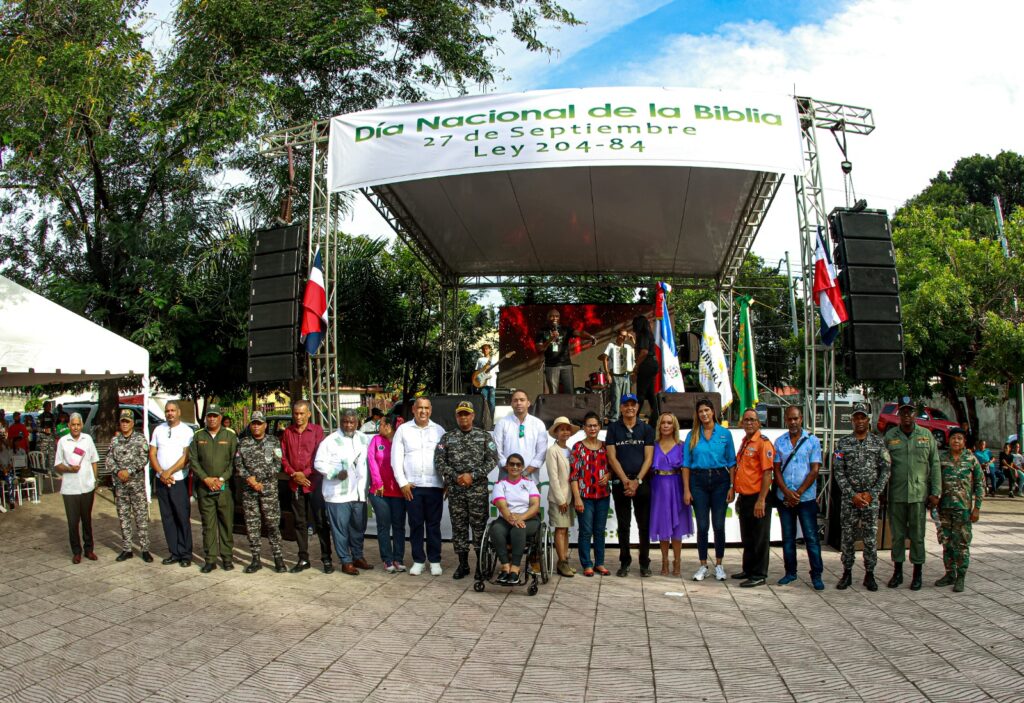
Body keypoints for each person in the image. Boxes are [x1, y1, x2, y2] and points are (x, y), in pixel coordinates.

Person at [436, 401, 498, 580]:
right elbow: (440, 461)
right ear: (456, 416)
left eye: (467, 414)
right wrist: (456, 477)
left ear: (473, 416)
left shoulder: (484, 436)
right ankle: (463, 565)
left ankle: (481, 565)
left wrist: (473, 475)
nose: (464, 417)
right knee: (459, 528)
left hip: (477, 490)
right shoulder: (448, 438)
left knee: (479, 528)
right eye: (460, 414)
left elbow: (492, 459)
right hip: (456, 491)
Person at [833, 402, 891, 591]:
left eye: (863, 417)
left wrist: (873, 494)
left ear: (868, 419)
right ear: (852, 420)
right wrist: (852, 495)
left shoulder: (878, 442)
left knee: (870, 538)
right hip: (850, 500)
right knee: (848, 537)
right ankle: (847, 573)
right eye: (856, 417)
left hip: (870, 500)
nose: (859, 421)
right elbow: (838, 472)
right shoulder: (843, 443)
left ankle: (869, 575)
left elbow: (885, 470)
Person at [883, 401, 940, 590]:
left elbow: (935, 464)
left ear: (915, 415)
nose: (907, 415)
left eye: (910, 412)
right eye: (904, 412)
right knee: (897, 536)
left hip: (918, 495)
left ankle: (917, 574)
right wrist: (882, 491)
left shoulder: (926, 435)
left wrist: (935, 492)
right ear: (899, 415)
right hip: (897, 494)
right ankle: (897, 572)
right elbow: (883, 466)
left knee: (917, 536)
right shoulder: (890, 436)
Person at [391, 397, 446, 575]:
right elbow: (396, 459)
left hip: (435, 486)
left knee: (433, 525)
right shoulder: (403, 430)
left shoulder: (439, 431)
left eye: (426, 408)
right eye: (419, 408)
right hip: (412, 487)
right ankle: (418, 560)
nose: (423, 411)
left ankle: (435, 560)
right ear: (413, 409)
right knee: (415, 525)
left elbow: (446, 459)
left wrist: (446, 482)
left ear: (431, 410)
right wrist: (403, 483)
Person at [683, 397, 736, 582]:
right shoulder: (692, 435)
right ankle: (703, 565)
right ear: (697, 415)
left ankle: (719, 565)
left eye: (707, 410)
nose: (704, 414)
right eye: (700, 411)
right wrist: (687, 490)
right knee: (703, 526)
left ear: (713, 412)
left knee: (719, 525)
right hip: (698, 482)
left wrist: (731, 486)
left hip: (721, 481)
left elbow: (731, 463)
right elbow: (686, 465)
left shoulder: (724, 434)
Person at [773, 406, 825, 590]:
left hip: (806, 499)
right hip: (785, 498)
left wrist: (799, 492)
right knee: (788, 538)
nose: (793, 422)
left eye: (796, 418)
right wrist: (787, 492)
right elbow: (776, 470)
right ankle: (790, 573)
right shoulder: (780, 442)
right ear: (785, 420)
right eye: (790, 419)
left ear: (801, 419)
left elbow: (814, 470)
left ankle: (816, 575)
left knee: (811, 537)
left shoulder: (812, 441)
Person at [315, 408, 372, 576]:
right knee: (340, 530)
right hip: (338, 494)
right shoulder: (330, 441)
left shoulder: (364, 439)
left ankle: (358, 557)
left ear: (357, 422)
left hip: (359, 493)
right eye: (346, 421)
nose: (349, 425)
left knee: (358, 528)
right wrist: (334, 473)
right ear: (340, 422)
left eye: (352, 422)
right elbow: (318, 463)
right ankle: (345, 561)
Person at [606, 393, 654, 577]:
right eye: (626, 405)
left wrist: (637, 481)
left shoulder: (646, 429)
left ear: (637, 407)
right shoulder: (613, 428)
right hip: (621, 483)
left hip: (641, 482)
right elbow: (612, 456)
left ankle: (644, 563)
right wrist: (626, 480)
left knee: (644, 525)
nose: (630, 408)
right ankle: (624, 562)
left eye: (633, 405)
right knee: (623, 525)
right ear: (621, 408)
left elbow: (649, 457)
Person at [281, 399, 331, 573]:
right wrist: (294, 474)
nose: (299, 417)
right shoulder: (288, 432)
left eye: (302, 413)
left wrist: (306, 473)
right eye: (296, 413)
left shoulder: (317, 431)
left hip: (314, 483)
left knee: (321, 521)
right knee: (299, 523)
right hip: (296, 484)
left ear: (309, 413)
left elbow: (320, 456)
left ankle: (326, 558)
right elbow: (283, 457)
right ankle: (303, 559)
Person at [234, 411, 286, 574]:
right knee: (252, 524)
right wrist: (249, 478)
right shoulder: (243, 443)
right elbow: (238, 463)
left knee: (272, 524)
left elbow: (278, 464)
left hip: (268, 490)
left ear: (265, 425)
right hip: (249, 491)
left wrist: (259, 480)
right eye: (253, 423)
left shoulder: (273, 441)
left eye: (259, 423)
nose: (256, 426)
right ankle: (255, 558)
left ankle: (278, 557)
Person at [190, 405, 239, 573]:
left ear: (220, 418)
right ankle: (210, 559)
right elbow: (193, 460)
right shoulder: (198, 436)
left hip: (224, 488)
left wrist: (221, 479)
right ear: (206, 418)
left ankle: (227, 558)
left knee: (226, 524)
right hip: (205, 487)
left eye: (215, 416)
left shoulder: (230, 435)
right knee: (208, 526)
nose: (211, 419)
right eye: (209, 416)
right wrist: (205, 478)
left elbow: (234, 462)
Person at [935, 427, 984, 592]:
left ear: (964, 442)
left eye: (960, 438)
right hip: (944, 509)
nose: (956, 441)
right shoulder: (941, 458)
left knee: (962, 544)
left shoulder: (971, 459)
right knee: (946, 542)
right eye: (953, 438)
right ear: (949, 441)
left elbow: (979, 484)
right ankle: (950, 574)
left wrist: (976, 508)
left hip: (963, 509)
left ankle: (961, 576)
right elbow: (934, 480)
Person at [732, 407, 775, 588]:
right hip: (745, 496)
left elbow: (767, 474)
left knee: (759, 538)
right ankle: (748, 569)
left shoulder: (763, 443)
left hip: (758, 497)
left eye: (752, 420)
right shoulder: (745, 441)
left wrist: (761, 500)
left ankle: (759, 574)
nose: (749, 423)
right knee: (747, 537)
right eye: (746, 420)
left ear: (759, 423)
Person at [149, 400, 194, 567]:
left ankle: (185, 554)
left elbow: (186, 457)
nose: (170, 413)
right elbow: (152, 453)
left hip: (178, 480)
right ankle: (174, 552)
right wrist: (161, 472)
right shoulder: (158, 430)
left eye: (173, 410)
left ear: (179, 412)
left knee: (182, 517)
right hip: (162, 480)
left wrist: (170, 472)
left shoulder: (187, 431)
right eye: (167, 411)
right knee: (167, 518)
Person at [107, 409, 153, 563]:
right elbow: (109, 459)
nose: (125, 424)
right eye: (122, 421)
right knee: (123, 517)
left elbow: (144, 458)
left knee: (141, 517)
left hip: (136, 486)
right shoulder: (115, 441)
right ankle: (127, 549)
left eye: (127, 421)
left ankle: (145, 549)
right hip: (120, 486)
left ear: (133, 423)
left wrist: (130, 471)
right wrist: (118, 471)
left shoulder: (140, 439)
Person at [488, 454, 541, 586]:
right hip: (506, 518)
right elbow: (502, 505)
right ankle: (505, 566)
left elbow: (535, 505)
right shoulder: (500, 484)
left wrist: (520, 518)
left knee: (518, 529)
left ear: (522, 467)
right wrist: (512, 518)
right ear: (507, 466)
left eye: (518, 464)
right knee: (495, 530)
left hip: (528, 518)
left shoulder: (529, 484)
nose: (515, 467)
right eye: (512, 464)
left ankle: (515, 568)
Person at [650, 412, 693, 577]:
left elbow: (686, 469)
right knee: (662, 526)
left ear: (674, 425)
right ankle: (664, 561)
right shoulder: (653, 445)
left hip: (677, 486)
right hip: (658, 487)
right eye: (663, 423)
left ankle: (677, 560)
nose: (666, 425)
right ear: (659, 426)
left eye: (669, 423)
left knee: (677, 526)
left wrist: (687, 490)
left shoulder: (682, 445)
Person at [570, 412, 611, 577]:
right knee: (586, 531)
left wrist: (609, 476)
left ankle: (599, 563)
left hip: (603, 495)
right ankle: (587, 564)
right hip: (585, 497)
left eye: (595, 425)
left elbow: (612, 468)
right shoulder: (578, 447)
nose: (592, 428)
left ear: (599, 427)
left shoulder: (606, 446)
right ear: (584, 428)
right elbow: (573, 475)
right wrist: (577, 497)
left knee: (599, 531)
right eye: (589, 425)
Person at [55, 413, 99, 563]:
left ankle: (89, 549)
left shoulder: (87, 439)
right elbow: (57, 465)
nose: (75, 427)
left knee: (87, 520)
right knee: (73, 522)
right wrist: (69, 469)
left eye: (78, 424)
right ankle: (76, 551)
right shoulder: (62, 441)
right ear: (68, 426)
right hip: (70, 488)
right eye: (73, 424)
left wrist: (95, 479)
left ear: (81, 425)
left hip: (87, 486)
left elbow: (94, 460)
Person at [368, 414, 406, 572]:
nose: (379, 426)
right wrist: (378, 482)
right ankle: (387, 559)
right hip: (379, 492)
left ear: (389, 426)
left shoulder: (400, 442)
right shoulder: (375, 440)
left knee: (399, 526)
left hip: (398, 491)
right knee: (384, 526)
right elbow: (372, 461)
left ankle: (398, 558)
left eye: (382, 424)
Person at [545, 415, 579, 578]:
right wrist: (560, 499)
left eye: (567, 429)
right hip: (560, 499)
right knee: (559, 530)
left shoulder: (570, 450)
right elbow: (553, 477)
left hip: (570, 498)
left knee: (565, 530)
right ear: (556, 432)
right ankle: (561, 562)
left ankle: (564, 560)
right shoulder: (552, 451)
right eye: (561, 429)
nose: (565, 432)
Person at [536, 308, 597, 394]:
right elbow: (540, 348)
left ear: (559, 318)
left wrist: (591, 337)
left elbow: (579, 333)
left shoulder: (565, 329)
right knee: (553, 394)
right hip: (551, 366)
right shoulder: (542, 332)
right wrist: (551, 339)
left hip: (566, 365)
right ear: (547, 318)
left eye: (557, 316)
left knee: (569, 392)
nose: (554, 318)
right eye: (552, 316)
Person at [492, 390, 547, 481]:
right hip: (506, 478)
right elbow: (497, 450)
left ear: (528, 403)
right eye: (515, 400)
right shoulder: (502, 423)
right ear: (511, 404)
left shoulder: (538, 424)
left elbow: (541, 452)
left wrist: (526, 472)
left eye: (522, 400)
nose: (519, 403)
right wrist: (512, 470)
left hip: (530, 478)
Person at [599, 328, 635, 423]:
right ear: (617, 335)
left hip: (626, 376)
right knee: (616, 397)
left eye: (625, 336)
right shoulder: (611, 345)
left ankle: (624, 419)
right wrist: (607, 374)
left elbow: (639, 351)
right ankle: (614, 420)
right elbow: (604, 358)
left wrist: (633, 340)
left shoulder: (628, 347)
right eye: (621, 335)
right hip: (615, 376)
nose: (623, 338)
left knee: (626, 399)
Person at [629, 315, 660, 420]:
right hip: (653, 363)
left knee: (641, 393)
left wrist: (636, 365)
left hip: (646, 364)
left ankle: (635, 417)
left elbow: (644, 352)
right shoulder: (649, 334)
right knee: (650, 393)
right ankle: (656, 416)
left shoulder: (642, 335)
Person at [473, 343, 499, 426]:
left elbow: (496, 372)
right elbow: (477, 372)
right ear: (482, 350)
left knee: (492, 402)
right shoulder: (480, 360)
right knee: (484, 402)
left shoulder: (494, 359)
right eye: (484, 349)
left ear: (490, 350)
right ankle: (484, 420)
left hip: (492, 384)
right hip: (483, 384)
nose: (485, 350)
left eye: (487, 349)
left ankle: (491, 420)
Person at [0, 437, 15, 511]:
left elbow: (10, 463)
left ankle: (11, 500)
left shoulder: (6, 451)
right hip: (1, 470)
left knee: (10, 479)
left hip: (6, 470)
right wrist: (4, 470)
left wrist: (7, 469)